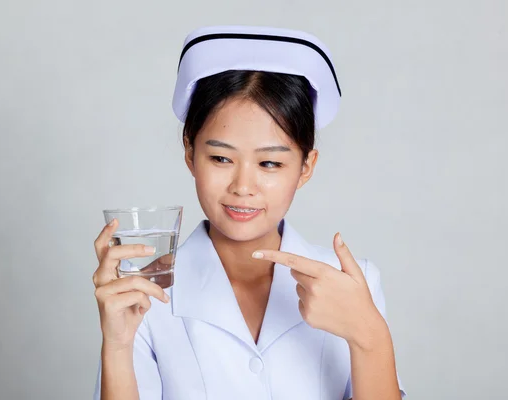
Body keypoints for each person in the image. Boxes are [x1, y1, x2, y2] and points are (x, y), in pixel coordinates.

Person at [92, 25, 406, 400]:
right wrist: (116, 345)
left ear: (306, 166)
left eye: (270, 164)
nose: (243, 186)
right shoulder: (145, 292)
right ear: (190, 153)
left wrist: (370, 337)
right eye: (221, 158)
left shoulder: (356, 285)